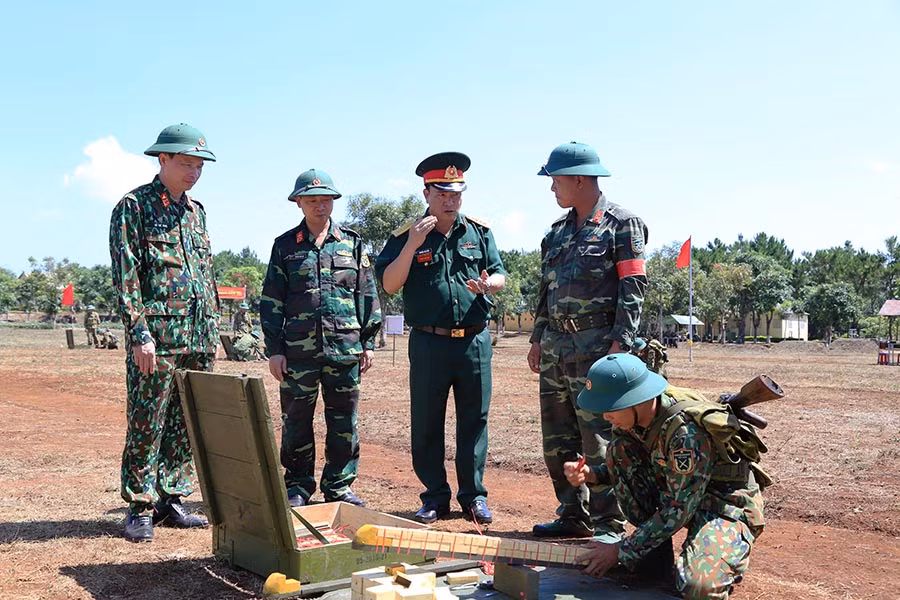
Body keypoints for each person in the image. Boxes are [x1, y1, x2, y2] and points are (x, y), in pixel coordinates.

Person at [567, 353, 765, 599]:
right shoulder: (634, 420)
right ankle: (654, 554)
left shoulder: (686, 435)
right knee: (619, 450)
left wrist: (620, 550)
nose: (606, 416)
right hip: (680, 492)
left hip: (724, 504)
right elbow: (630, 469)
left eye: (611, 407)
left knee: (698, 587)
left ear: (635, 399)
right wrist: (592, 475)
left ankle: (719, 556)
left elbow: (679, 508)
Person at [527, 141, 649, 540]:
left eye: (556, 180)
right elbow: (546, 291)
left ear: (579, 179)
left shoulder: (622, 225)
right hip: (555, 350)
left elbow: (633, 287)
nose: (552, 188)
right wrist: (537, 338)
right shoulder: (556, 233)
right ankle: (571, 513)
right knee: (557, 438)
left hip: (598, 349)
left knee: (599, 438)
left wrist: (621, 345)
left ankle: (607, 523)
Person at [375, 152, 505, 525]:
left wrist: (489, 285)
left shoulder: (479, 232)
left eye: (456, 194)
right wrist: (412, 245)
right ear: (427, 194)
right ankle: (434, 496)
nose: (450, 201)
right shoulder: (406, 236)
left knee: (474, 421)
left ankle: (473, 497)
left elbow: (499, 273)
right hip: (429, 343)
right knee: (428, 421)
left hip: (474, 342)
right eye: (443, 194)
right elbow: (389, 283)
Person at [109, 123, 219, 542]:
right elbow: (126, 275)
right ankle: (140, 505)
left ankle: (171, 498)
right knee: (147, 420)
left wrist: (212, 330)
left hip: (198, 335)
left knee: (186, 421)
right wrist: (139, 333)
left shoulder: (197, 212)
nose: (194, 172)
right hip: (158, 337)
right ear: (163, 159)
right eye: (186, 164)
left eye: (199, 166)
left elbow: (205, 274)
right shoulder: (133, 206)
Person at [260, 169, 381, 508]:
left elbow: (366, 294)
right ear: (298, 203)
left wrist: (368, 343)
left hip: (345, 349)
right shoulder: (285, 246)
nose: (320, 206)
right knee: (296, 420)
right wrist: (274, 350)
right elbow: (271, 301)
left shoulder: (352, 244)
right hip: (298, 353)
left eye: (326, 199)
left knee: (344, 421)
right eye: (312, 200)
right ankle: (298, 485)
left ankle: (339, 486)